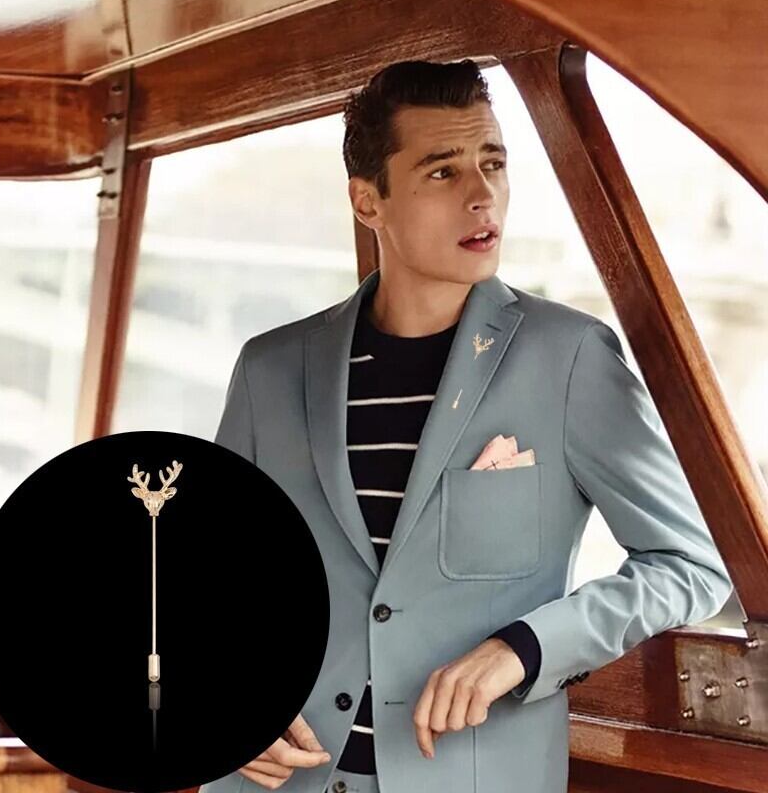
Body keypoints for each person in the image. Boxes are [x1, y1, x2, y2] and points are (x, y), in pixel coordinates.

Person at [205, 59, 732, 793]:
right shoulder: (271, 370)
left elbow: (690, 565)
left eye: (494, 163)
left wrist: (524, 648)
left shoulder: (570, 358)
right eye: (443, 171)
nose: (482, 195)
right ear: (368, 201)